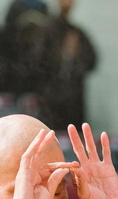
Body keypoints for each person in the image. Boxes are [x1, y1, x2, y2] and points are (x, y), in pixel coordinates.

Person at [38, 0, 97, 130]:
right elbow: (38, 63)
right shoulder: (47, 30)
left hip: (73, 100)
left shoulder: (77, 32)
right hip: (51, 99)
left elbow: (92, 61)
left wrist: (74, 57)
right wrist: (63, 55)